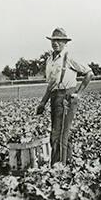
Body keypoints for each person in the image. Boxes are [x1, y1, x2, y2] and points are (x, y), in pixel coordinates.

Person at [36, 28, 94, 165]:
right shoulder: (50, 59)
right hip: (54, 97)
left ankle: (58, 168)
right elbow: (51, 84)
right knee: (57, 133)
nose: (55, 43)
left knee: (59, 135)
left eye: (59, 41)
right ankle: (67, 164)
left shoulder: (69, 57)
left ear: (64, 42)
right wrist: (43, 103)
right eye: (53, 40)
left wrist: (78, 93)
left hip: (66, 97)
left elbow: (89, 73)